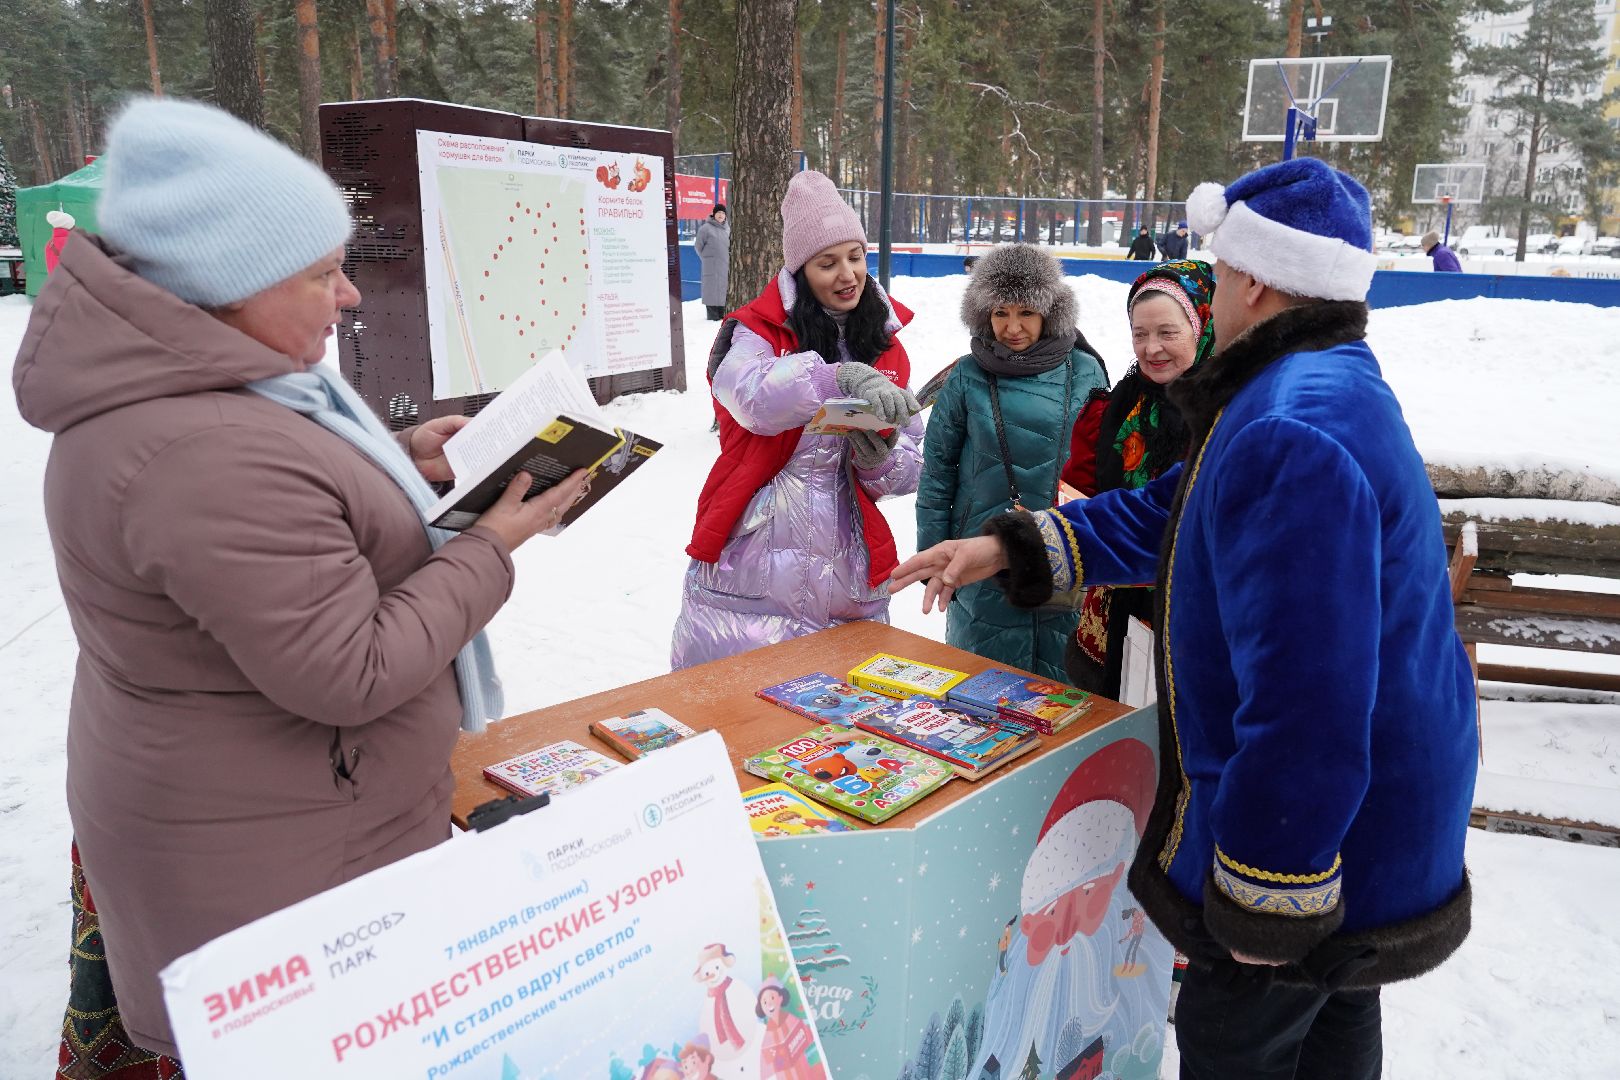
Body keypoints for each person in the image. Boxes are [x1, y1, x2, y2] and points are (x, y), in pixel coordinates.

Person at [13, 98, 588, 1068]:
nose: (351, 297)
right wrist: (492, 543)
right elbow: (350, 670)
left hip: (257, 808)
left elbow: (288, 492)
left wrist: (406, 460)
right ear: (227, 287)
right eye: (323, 274)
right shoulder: (201, 449)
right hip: (264, 855)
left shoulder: (204, 393)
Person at [890, 157, 1476, 1080]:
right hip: (1354, 837)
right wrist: (1009, 547)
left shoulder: (1294, 425)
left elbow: (1306, 701)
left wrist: (1265, 901)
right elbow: (1173, 508)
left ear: (1250, 276)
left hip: (1307, 853)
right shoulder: (1302, 387)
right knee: (1331, 1030)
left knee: (1244, 1042)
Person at [671, 170, 921, 669]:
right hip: (755, 559)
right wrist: (836, 378)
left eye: (855, 257)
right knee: (738, 712)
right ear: (800, 270)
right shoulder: (756, 331)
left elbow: (912, 464)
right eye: (827, 263)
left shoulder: (885, 344)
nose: (847, 275)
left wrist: (880, 456)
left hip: (847, 570)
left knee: (844, 724)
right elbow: (752, 398)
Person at [915, 244, 1107, 680]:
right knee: (983, 697)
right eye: (1001, 312)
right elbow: (938, 473)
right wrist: (934, 554)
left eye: (1026, 312)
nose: (1012, 327)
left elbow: (1100, 471)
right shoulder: (967, 375)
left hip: (1065, 556)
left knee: (1063, 699)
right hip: (979, 556)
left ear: (1050, 312)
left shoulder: (1087, 371)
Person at [1059, 260, 1215, 697]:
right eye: (1140, 334)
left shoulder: (1231, 414)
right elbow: (1083, 493)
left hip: (1196, 623)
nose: (1152, 349)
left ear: (1202, 326)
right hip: (1116, 621)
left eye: (1168, 332)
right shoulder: (1113, 411)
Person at [696, 204, 731, 320]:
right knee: (712, 295)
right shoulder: (705, 229)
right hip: (711, 269)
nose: (721, 215)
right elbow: (698, 247)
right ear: (714, 214)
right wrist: (708, 259)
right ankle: (712, 319)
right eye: (718, 213)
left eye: (723, 213)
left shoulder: (728, 229)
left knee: (723, 296)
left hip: (725, 267)